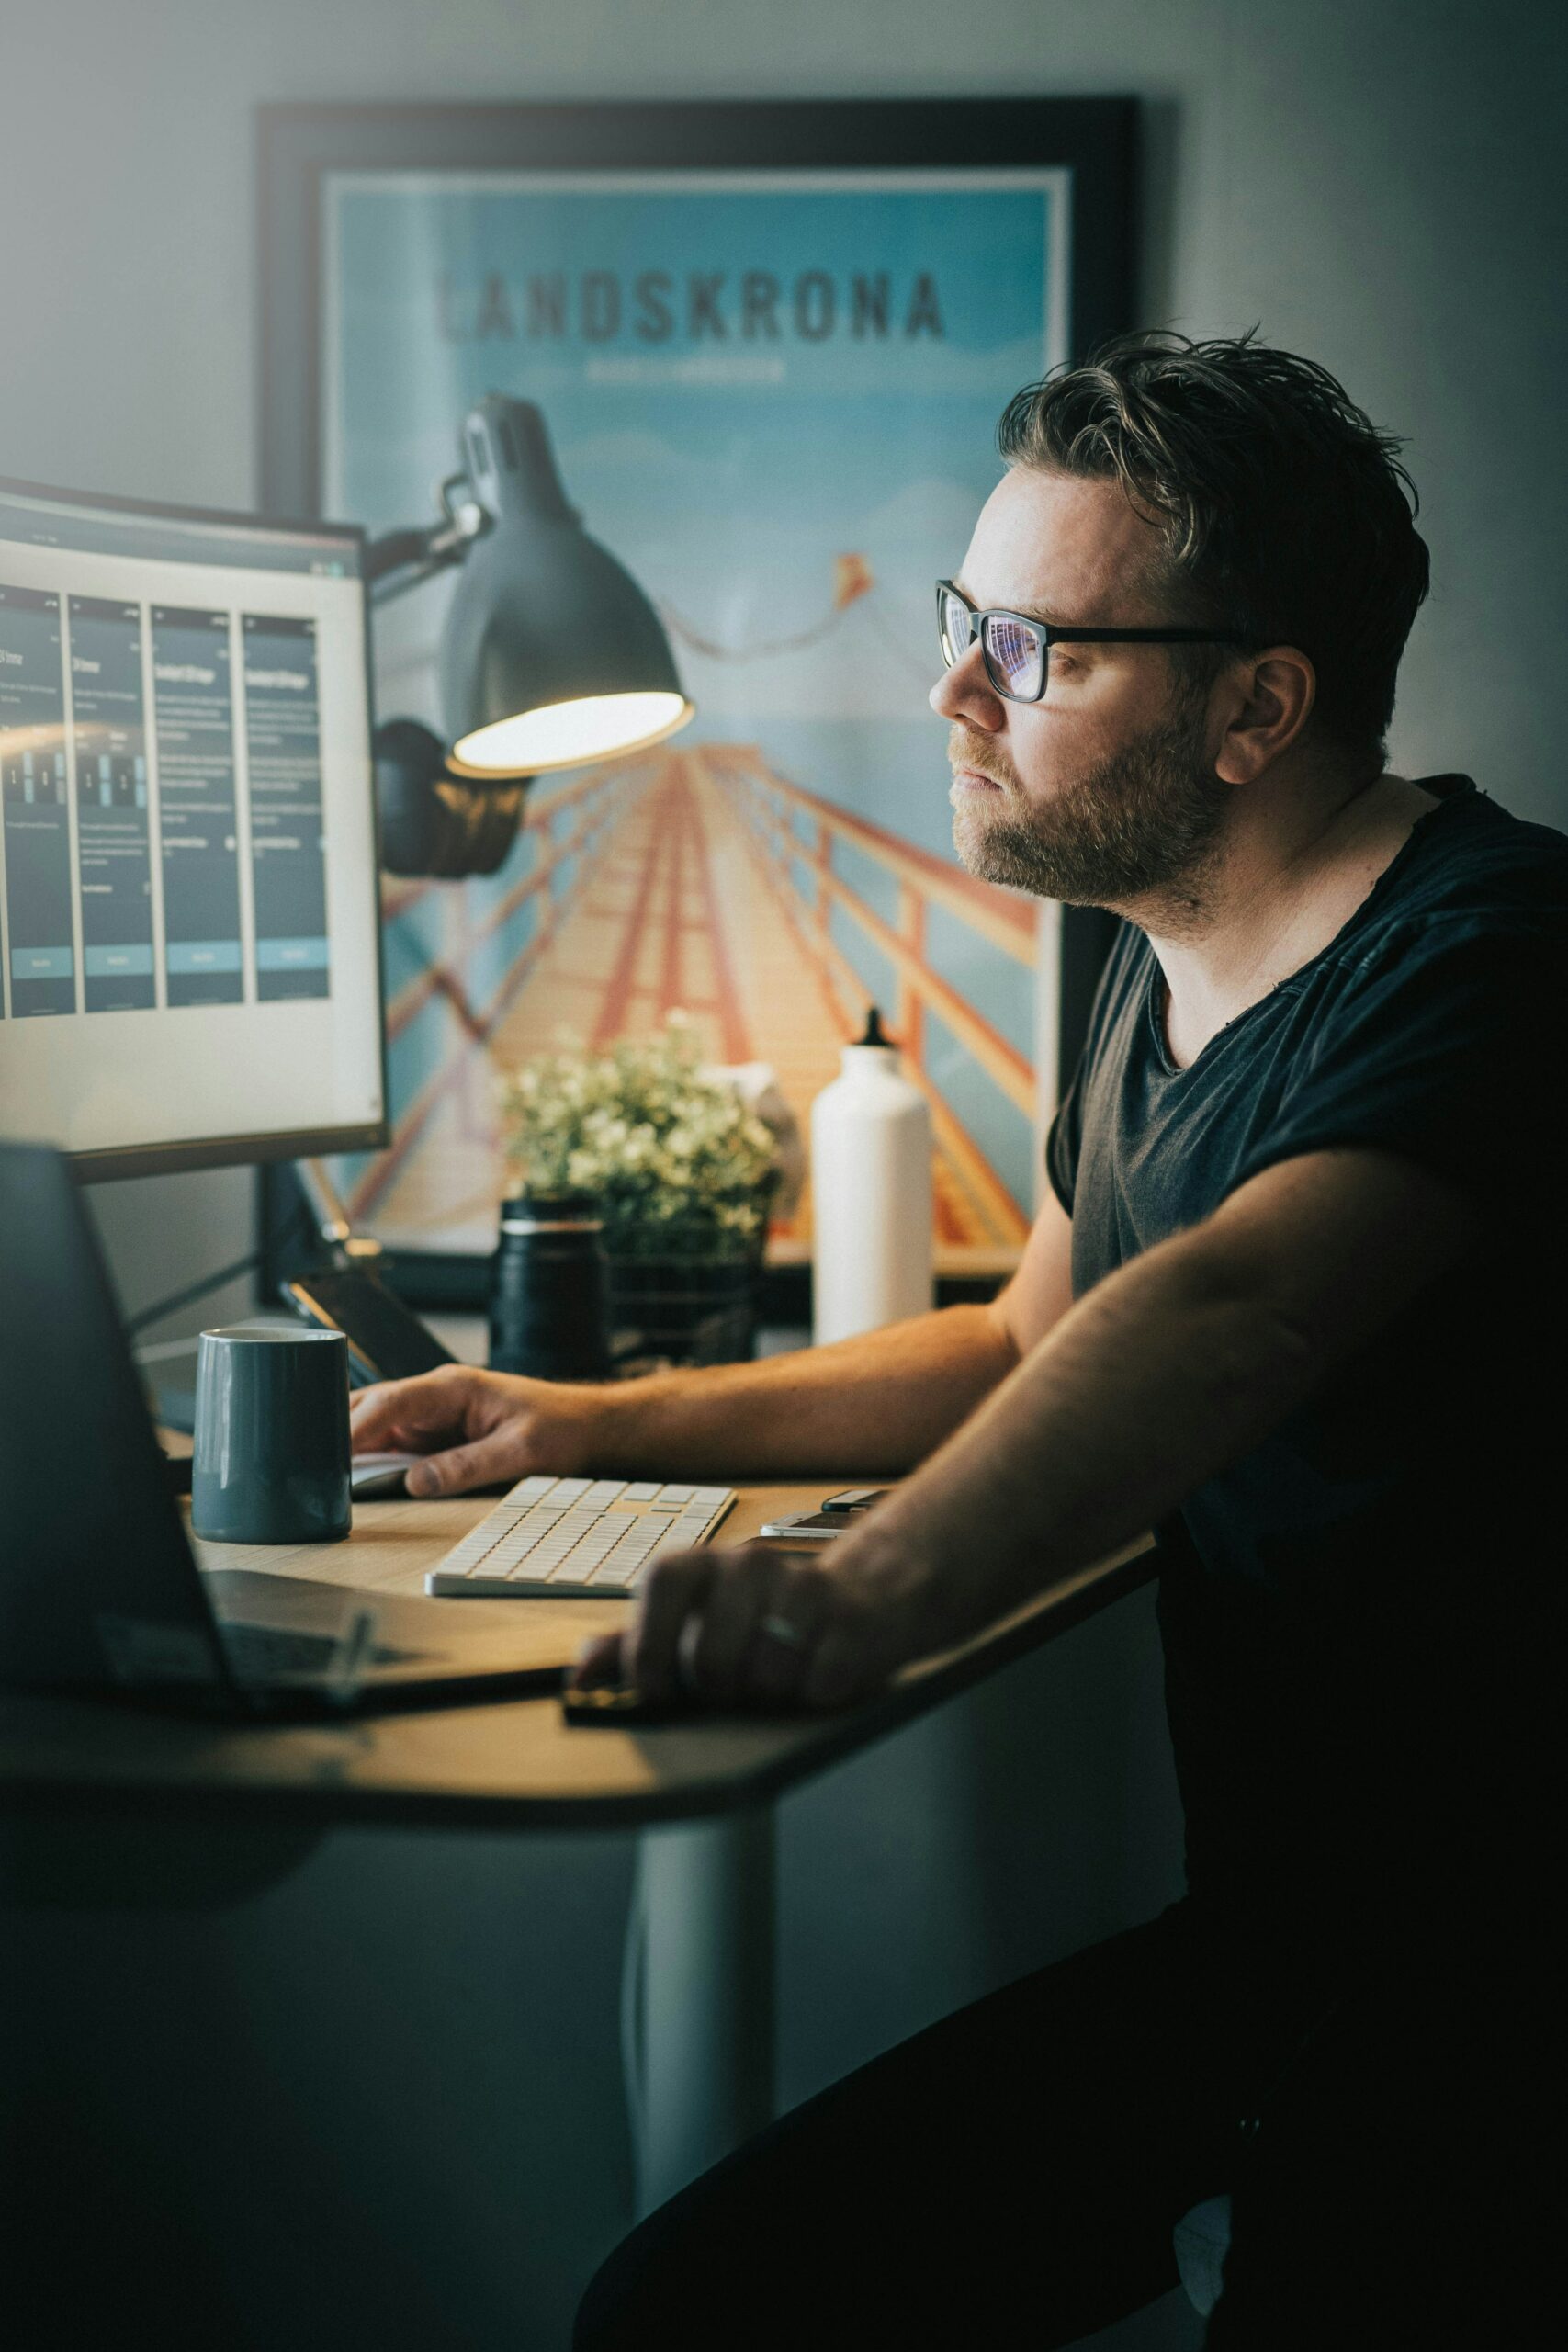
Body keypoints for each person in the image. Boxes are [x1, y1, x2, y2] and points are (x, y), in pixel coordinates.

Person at [350, 334, 1565, 2346]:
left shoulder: (1497, 953)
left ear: (1257, 703)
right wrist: (584, 1417)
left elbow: (1238, 1302)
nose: (947, 694)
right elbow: (1025, 1341)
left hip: (1483, 1983)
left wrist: (874, 1594)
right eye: (957, 623)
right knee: (686, 2310)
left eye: (1036, 649)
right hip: (1290, 1944)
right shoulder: (1146, 939)